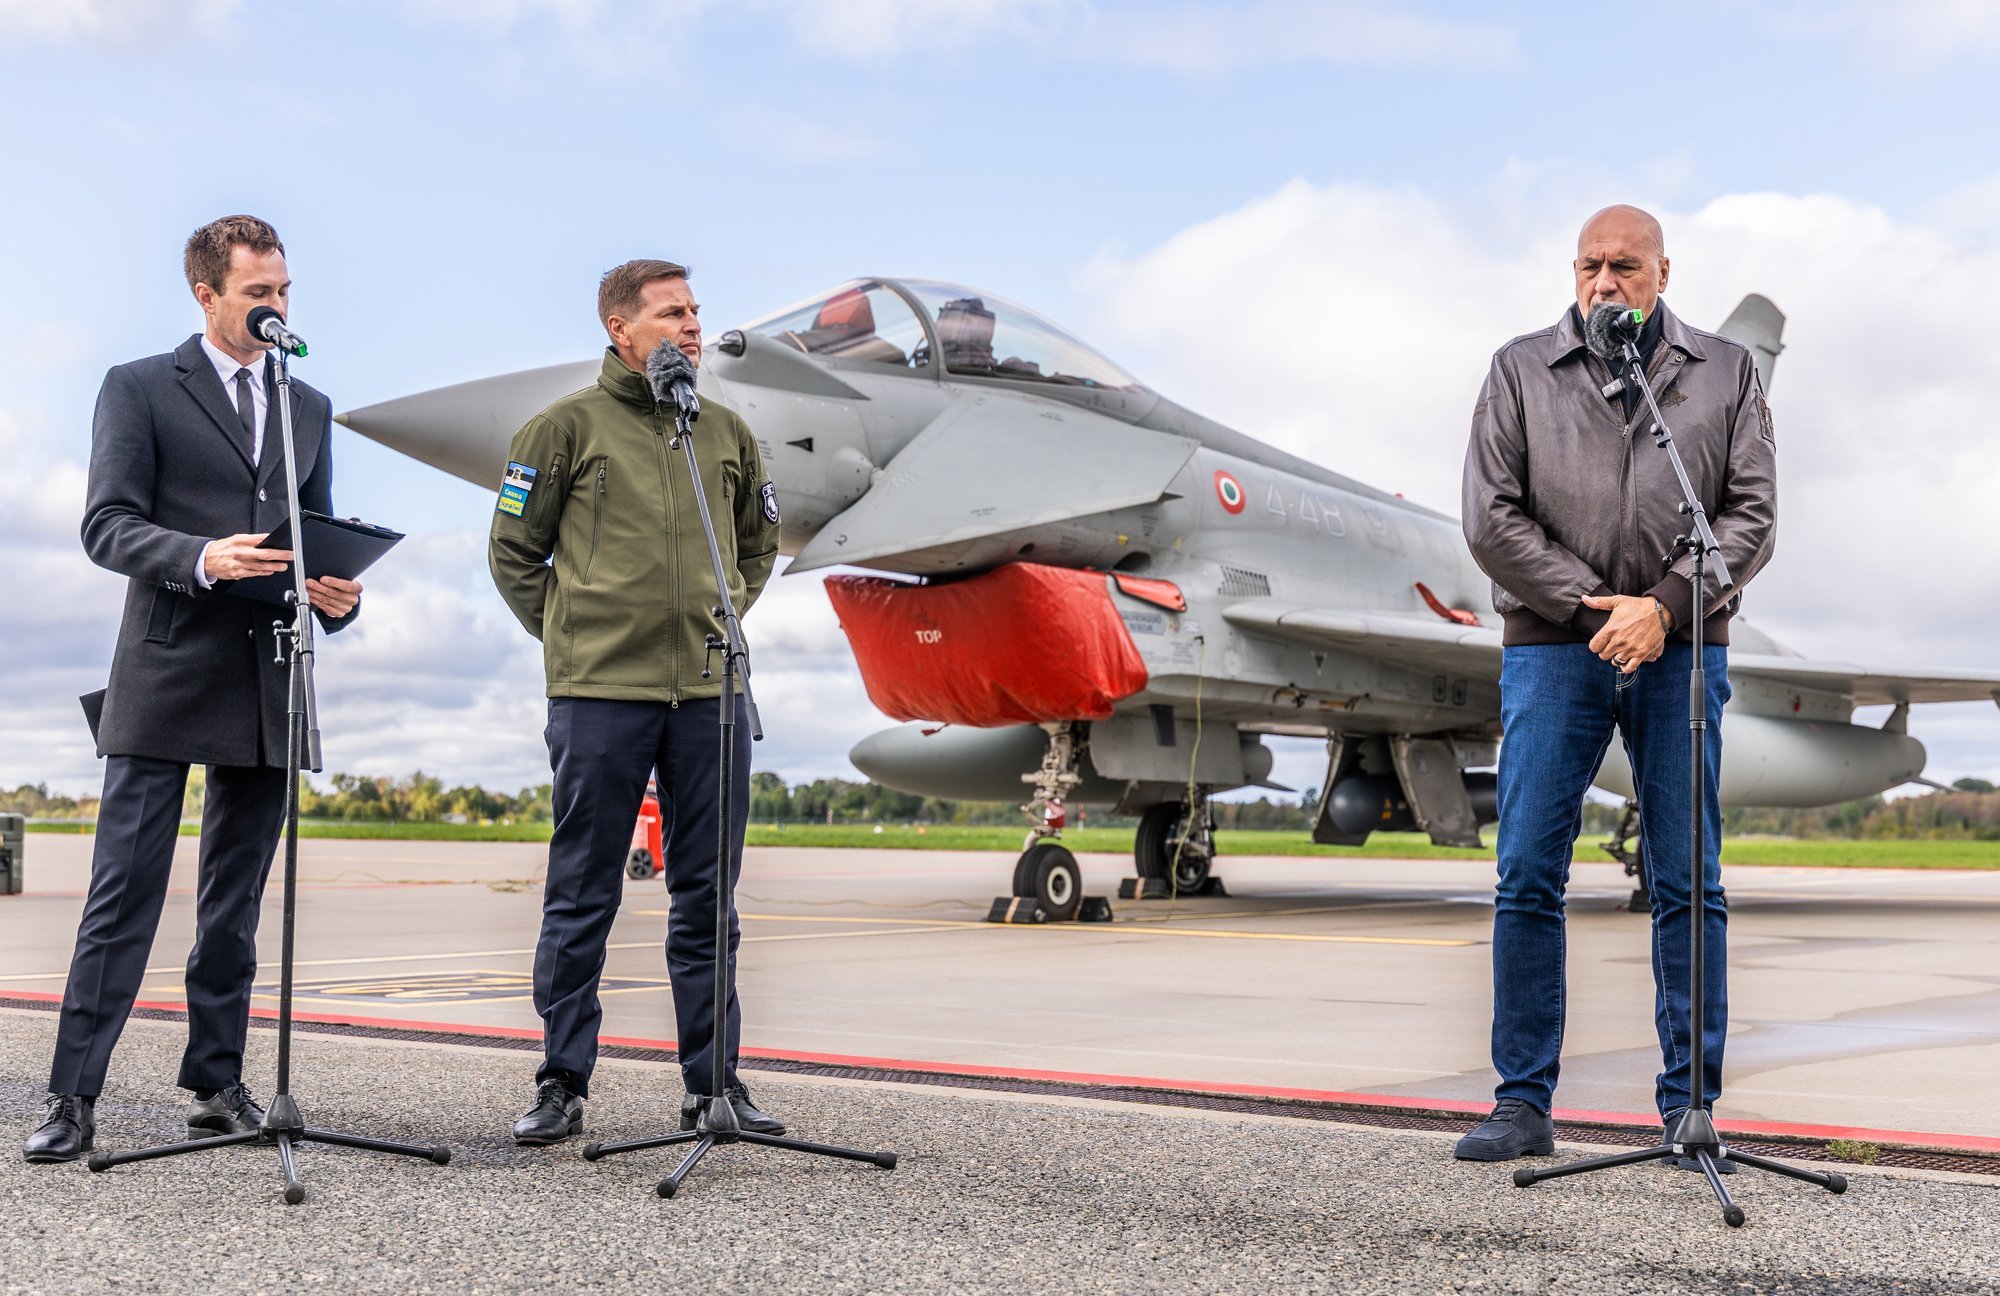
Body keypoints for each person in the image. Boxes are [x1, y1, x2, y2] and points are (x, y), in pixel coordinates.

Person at [24, 216, 363, 1163]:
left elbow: (315, 532)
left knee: (234, 906)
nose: (276, 307)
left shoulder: (307, 403)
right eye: (258, 293)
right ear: (206, 295)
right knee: (122, 895)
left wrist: (337, 595)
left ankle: (217, 1084)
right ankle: (72, 1095)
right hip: (166, 669)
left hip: (270, 677)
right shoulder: (138, 386)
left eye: (284, 291)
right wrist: (202, 557)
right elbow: (106, 525)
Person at [1456, 205, 1777, 1165]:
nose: (1605, 281)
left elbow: (1750, 513)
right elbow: (1491, 517)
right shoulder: (1519, 369)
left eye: (1626, 266)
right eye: (1590, 265)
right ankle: (1522, 1104)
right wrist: (1592, 608)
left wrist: (1666, 608)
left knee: (1688, 880)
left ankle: (1690, 1109)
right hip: (1554, 650)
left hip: (1682, 650)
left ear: (1663, 273)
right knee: (1527, 872)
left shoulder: (1726, 371)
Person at [489, 259, 782, 1145]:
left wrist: (717, 616)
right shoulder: (561, 429)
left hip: (709, 692)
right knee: (582, 891)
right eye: (670, 313)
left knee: (709, 897)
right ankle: (561, 1082)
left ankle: (714, 1085)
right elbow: (514, 553)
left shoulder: (725, 432)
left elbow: (758, 548)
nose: (691, 326)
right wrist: (576, 637)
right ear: (621, 329)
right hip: (599, 694)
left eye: (695, 312)